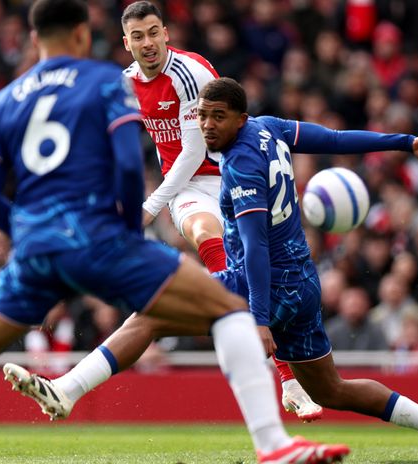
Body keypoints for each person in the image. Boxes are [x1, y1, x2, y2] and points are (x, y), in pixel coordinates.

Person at [0, 3, 348, 464]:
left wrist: (25, 232)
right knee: (228, 308)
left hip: (36, 246)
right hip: (99, 237)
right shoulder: (107, 81)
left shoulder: (8, 97)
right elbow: (128, 166)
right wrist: (129, 220)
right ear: (85, 34)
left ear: (34, 38)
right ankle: (274, 444)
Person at [11, 78, 418, 462]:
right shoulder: (272, 128)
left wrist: (259, 319)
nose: (208, 124)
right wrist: (406, 143)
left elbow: (256, 246)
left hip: (263, 283)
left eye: (218, 117)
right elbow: (336, 138)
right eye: (201, 116)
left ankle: (67, 390)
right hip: (303, 282)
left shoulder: (240, 165)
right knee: (332, 389)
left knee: (150, 313)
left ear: (239, 117)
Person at [120, 0, 320, 421]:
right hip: (186, 187)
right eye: (138, 36)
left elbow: (195, 150)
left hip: (228, 175)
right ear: (127, 43)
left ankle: (278, 370)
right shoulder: (125, 85)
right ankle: (284, 376)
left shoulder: (190, 73)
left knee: (248, 267)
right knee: (208, 238)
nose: (148, 42)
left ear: (166, 33)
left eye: (153, 32)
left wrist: (149, 207)